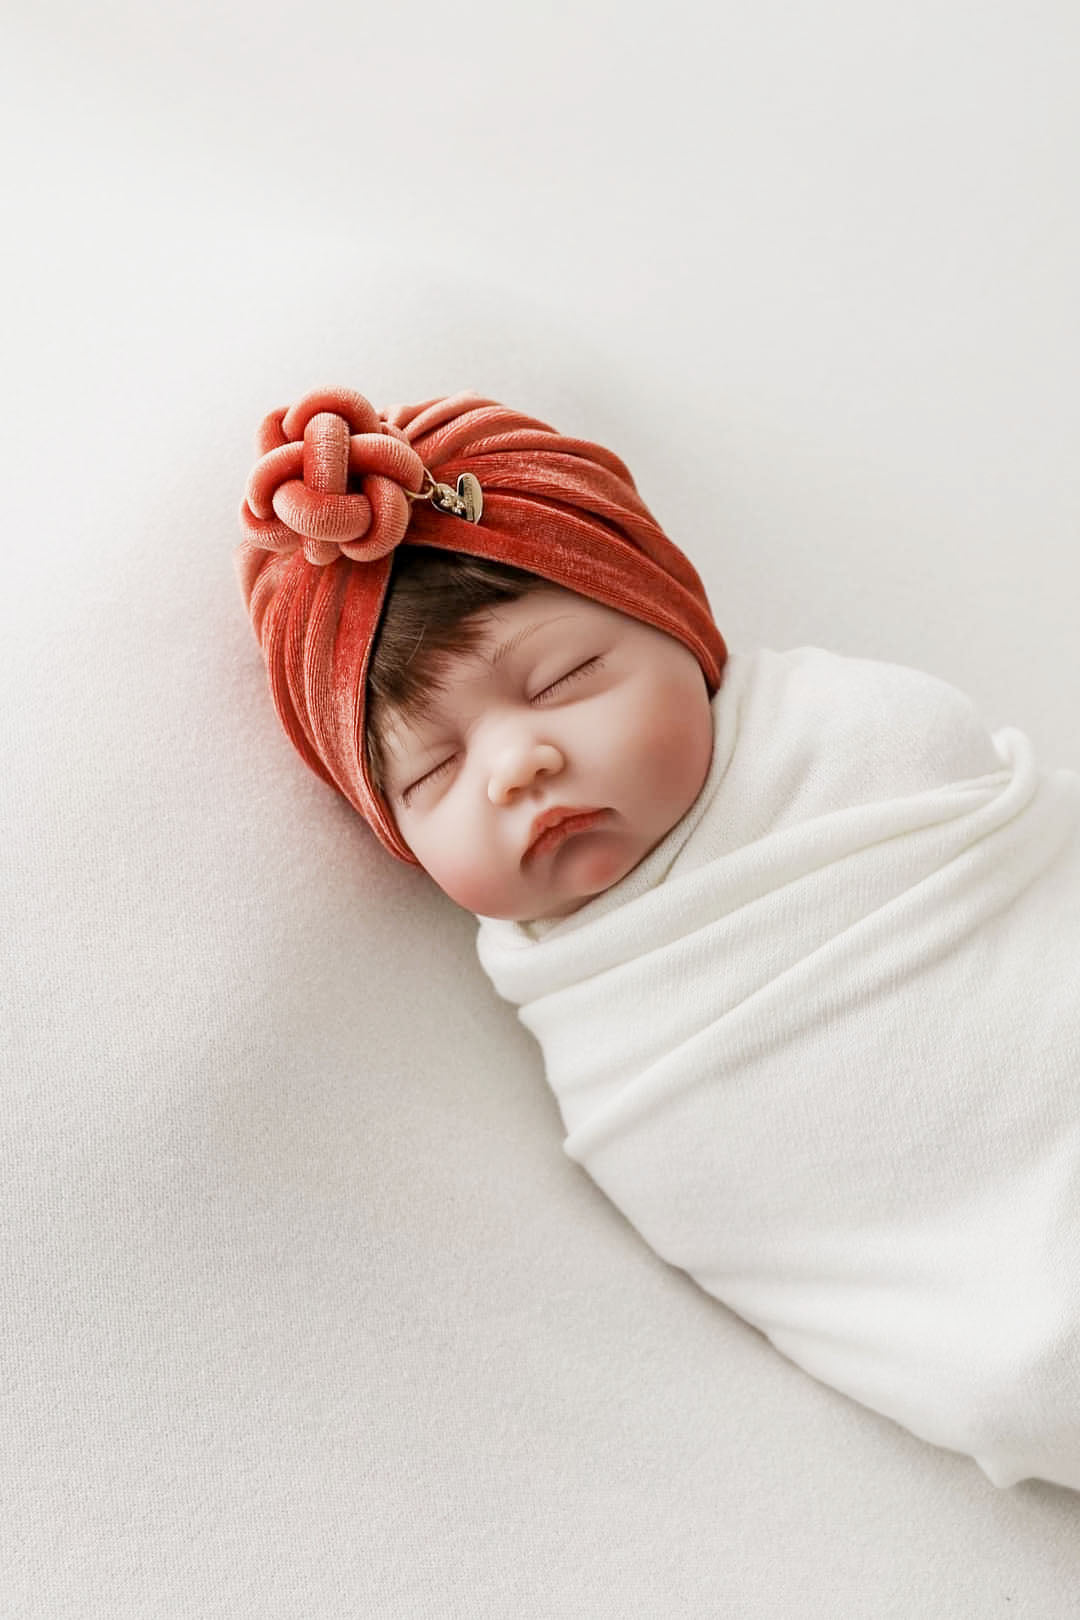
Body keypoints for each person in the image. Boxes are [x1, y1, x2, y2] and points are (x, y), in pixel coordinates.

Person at [235, 383, 1080, 1494]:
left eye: (564, 679)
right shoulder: (603, 1026)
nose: (513, 766)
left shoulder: (865, 746)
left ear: (680, 632)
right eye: (435, 772)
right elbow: (776, 1214)